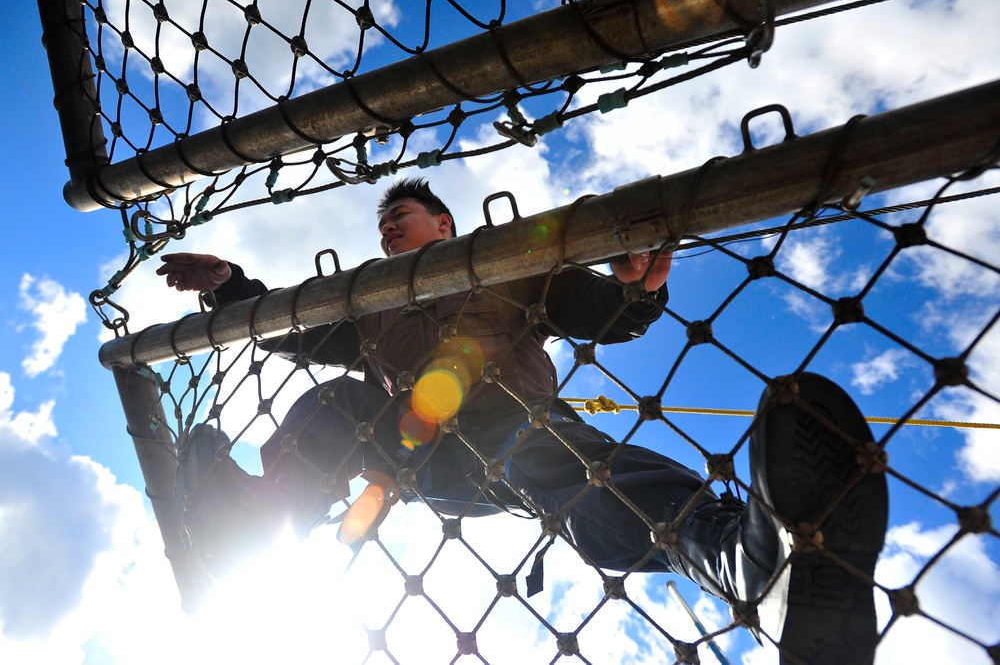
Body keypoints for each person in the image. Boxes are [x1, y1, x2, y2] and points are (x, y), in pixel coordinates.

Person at [158, 177, 888, 664]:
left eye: (399, 219)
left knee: (551, 462)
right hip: (416, 452)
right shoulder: (372, 302)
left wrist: (630, 293)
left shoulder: (502, 264)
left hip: (509, 424)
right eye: (381, 226)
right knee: (336, 404)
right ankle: (261, 514)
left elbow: (591, 311)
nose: (386, 232)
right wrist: (231, 287)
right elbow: (301, 333)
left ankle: (742, 559)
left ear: (443, 221)